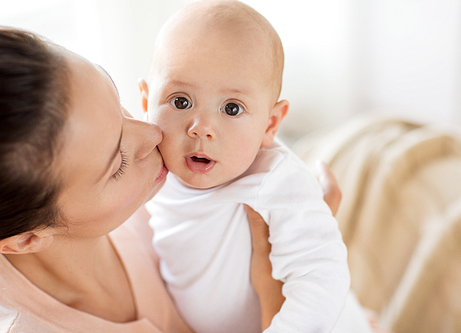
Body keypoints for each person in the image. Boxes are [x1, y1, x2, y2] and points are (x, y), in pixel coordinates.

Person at [0, 27, 343, 332]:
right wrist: (272, 293)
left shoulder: (145, 188)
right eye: (118, 164)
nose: (152, 135)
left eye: (120, 105)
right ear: (28, 238)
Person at [139, 1, 373, 332]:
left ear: (270, 124)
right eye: (181, 101)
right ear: (147, 104)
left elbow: (323, 272)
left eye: (232, 108)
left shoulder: (272, 177)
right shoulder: (146, 161)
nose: (201, 127)